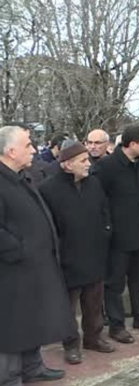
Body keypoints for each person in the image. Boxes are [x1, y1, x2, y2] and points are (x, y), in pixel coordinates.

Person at [0, 126, 73, 384]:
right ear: (10, 151)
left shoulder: (21, 175)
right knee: (11, 326)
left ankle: (32, 368)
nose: (33, 149)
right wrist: (18, 250)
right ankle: (8, 377)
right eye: (28, 145)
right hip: (12, 270)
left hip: (34, 266)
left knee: (32, 320)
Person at [39, 140, 115, 365]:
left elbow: (104, 212)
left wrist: (106, 233)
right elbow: (47, 226)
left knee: (93, 302)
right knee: (68, 308)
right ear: (67, 164)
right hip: (67, 260)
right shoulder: (48, 189)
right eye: (83, 161)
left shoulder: (94, 184)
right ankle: (71, 345)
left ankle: (93, 338)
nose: (88, 164)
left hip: (95, 254)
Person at [92, 124, 139, 344]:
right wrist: (107, 230)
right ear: (132, 144)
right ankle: (116, 325)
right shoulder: (106, 166)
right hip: (117, 237)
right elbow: (98, 202)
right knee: (114, 284)